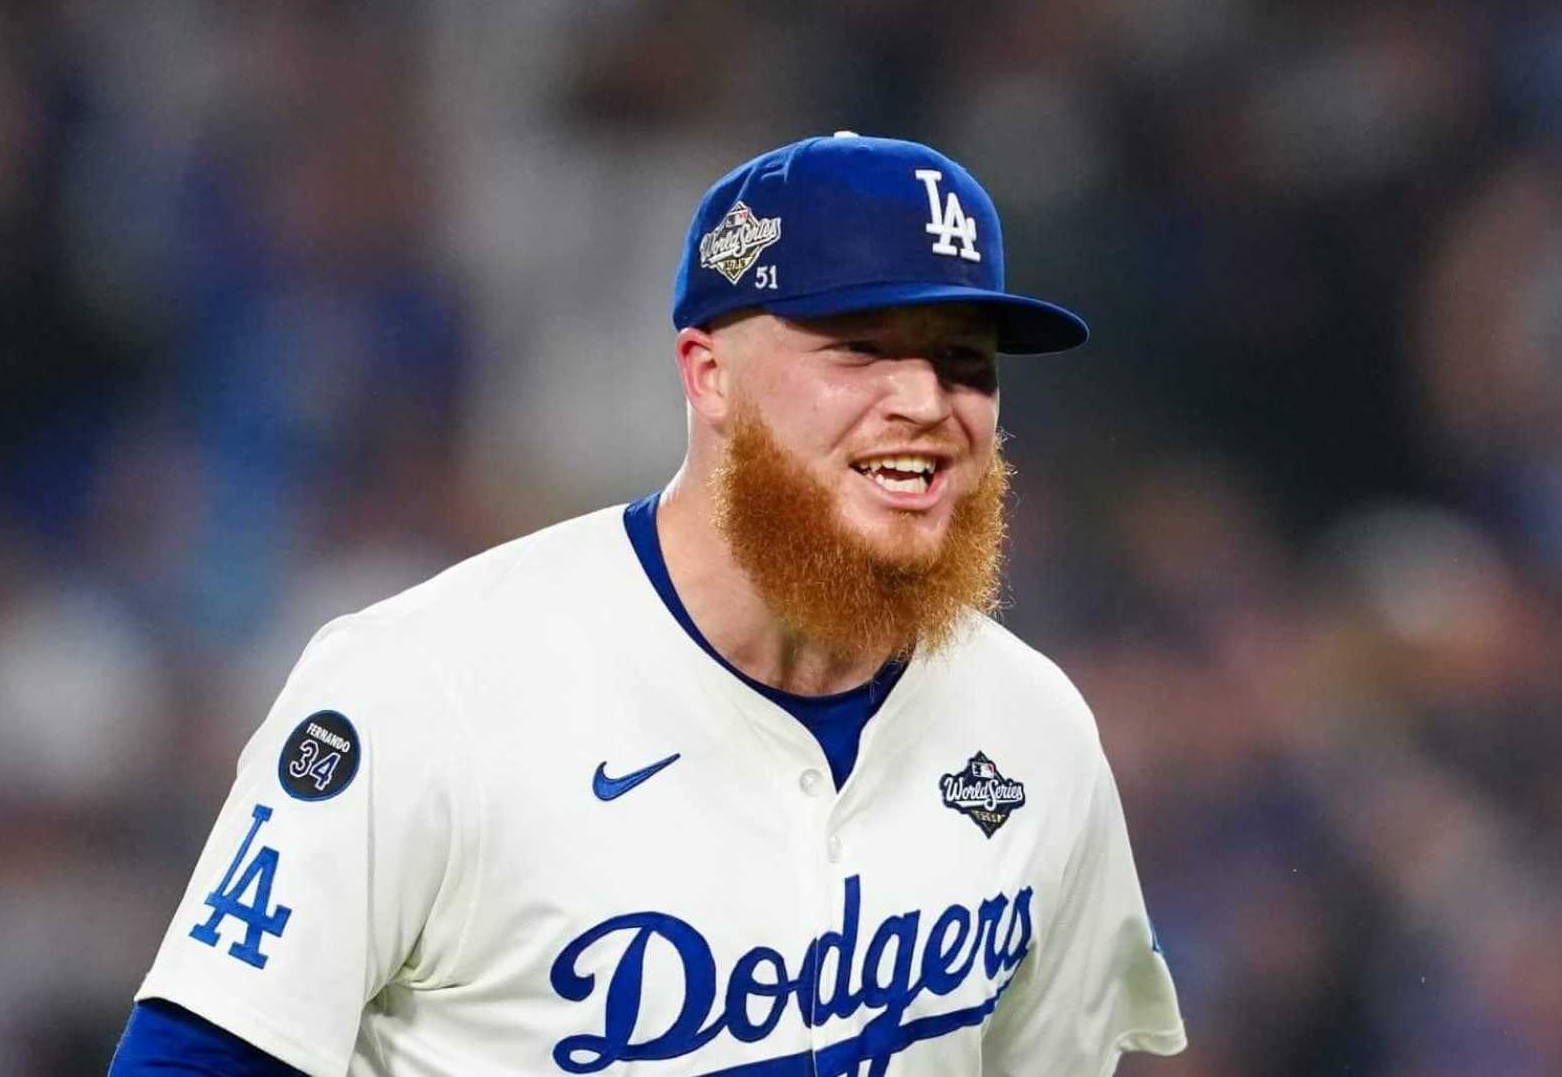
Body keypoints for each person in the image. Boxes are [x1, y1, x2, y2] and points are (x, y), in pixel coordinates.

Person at [110, 132, 1186, 1076]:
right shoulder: (424, 688)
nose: (924, 401)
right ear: (709, 375)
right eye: (861, 347)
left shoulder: (1035, 730)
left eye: (963, 362)